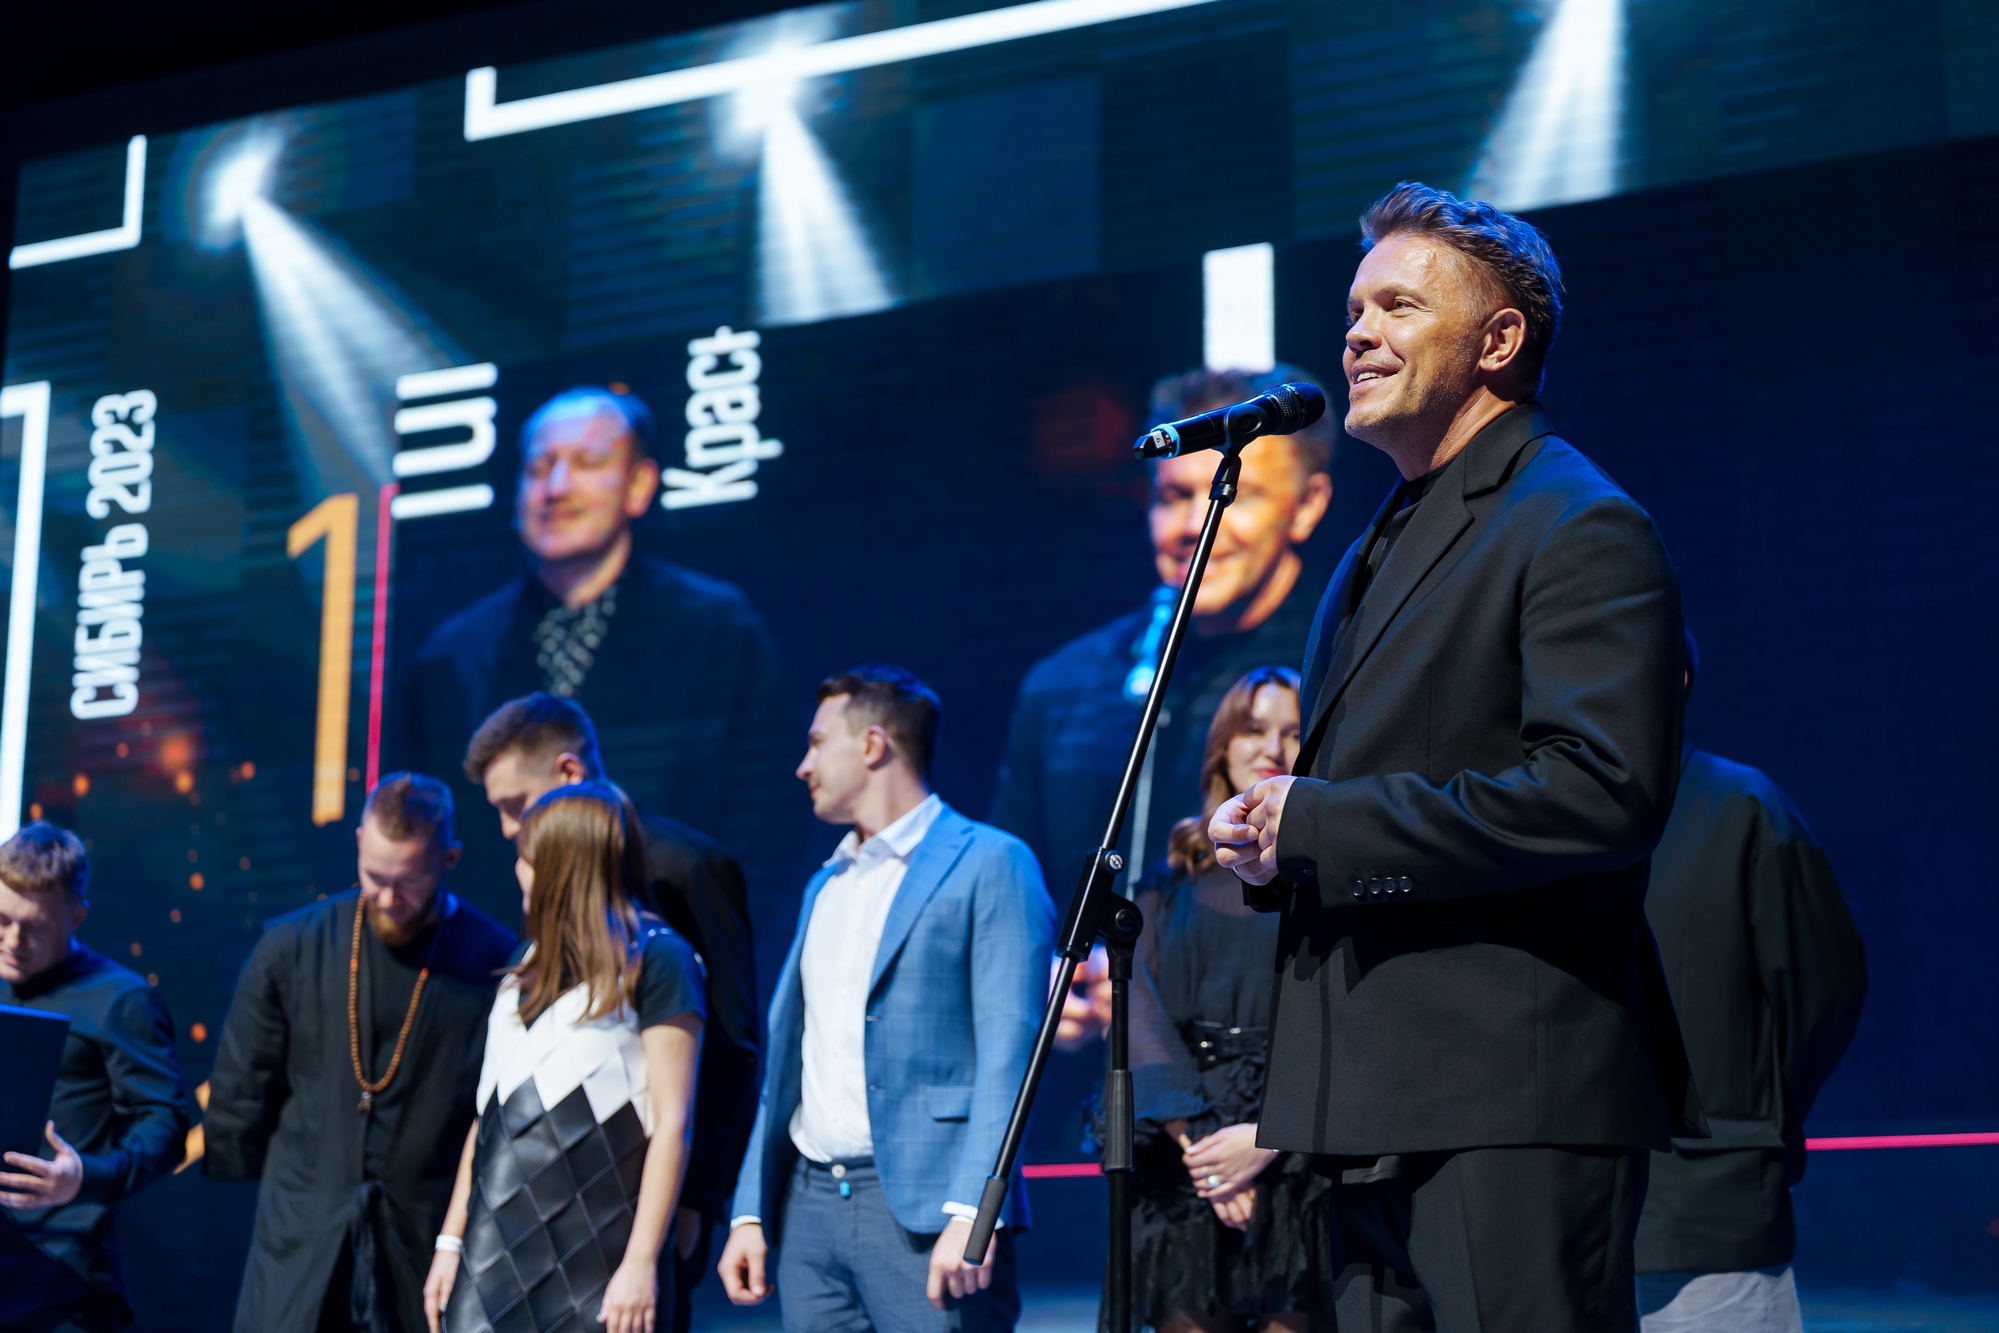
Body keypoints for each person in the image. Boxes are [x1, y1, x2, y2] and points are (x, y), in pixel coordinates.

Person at [1211, 181, 1697, 1331]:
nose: (1357, 334)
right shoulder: (1377, 542)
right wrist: (1278, 841)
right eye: (1352, 310)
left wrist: (1320, 822)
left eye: (1397, 306)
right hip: (1363, 1107)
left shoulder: (1575, 519)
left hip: (1503, 1105)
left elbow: (1600, 791)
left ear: (1499, 341)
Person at [718, 666, 1054, 1333]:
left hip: (929, 1206)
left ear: (873, 744)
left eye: (818, 743)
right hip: (810, 1206)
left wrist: (973, 1208)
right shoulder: (826, 884)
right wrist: (750, 1211)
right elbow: (790, 1063)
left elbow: (1009, 1053)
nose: (802, 765)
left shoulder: (990, 861)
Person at [399, 386, 791, 919]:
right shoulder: (451, 657)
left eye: (587, 463)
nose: (557, 488)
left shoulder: (720, 631)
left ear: (639, 484)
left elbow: (768, 825)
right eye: (538, 468)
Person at [461, 692, 759, 1333]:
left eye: (515, 805)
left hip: (631, 1187)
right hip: (529, 1185)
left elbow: (730, 1045)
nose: (509, 830)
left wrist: (695, 1200)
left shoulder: (685, 870)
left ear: (568, 771)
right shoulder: (534, 910)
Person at [991, 366, 1335, 890]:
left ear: (1307, 505)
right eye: (1174, 496)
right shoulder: (1062, 687)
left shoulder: (1346, 656)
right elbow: (1008, 887)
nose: (1195, 524)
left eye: (1236, 493)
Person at [205, 774, 517, 1333]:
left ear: (449, 859)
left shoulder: (494, 965)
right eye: (375, 877)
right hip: (300, 1240)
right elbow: (241, 1092)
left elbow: (495, 1116)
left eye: (409, 882)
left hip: (423, 1247)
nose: (389, 899)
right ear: (357, 843)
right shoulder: (292, 948)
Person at [1635, 633, 1868, 1332]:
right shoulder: (1535, 815)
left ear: (1675, 679)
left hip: (1704, 1226)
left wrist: (1757, 1119)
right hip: (1576, 1235)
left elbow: (1825, 992)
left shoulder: (1741, 806)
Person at [425, 780, 705, 1333]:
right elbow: (486, 1120)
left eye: (527, 858)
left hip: (598, 1251)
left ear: (562, 868)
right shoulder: (524, 966)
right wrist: (451, 1241)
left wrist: (641, 1262)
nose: (518, 870)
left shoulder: (657, 960)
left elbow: (673, 1124)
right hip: (492, 1250)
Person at [1113, 666, 1336, 1333]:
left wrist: (1270, 1140)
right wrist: (1204, 1154)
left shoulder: (1328, 880)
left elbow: (1338, 1018)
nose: (1271, 747)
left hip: (1298, 1151)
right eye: (1254, 729)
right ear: (1222, 746)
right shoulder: (1167, 885)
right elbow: (1140, 1015)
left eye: (1291, 732)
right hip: (1188, 1150)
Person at [0, 821, 189, 1333]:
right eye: (1, 920)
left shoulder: (120, 999)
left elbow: (166, 1124)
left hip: (61, 1277)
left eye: (34, 926)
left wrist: (87, 1175)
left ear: (77, 917)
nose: (13, 940)